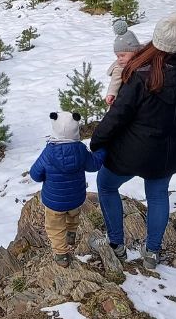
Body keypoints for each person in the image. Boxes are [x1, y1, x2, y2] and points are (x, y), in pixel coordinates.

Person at [89, 12, 176, 269]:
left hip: (133, 152)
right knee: (157, 195)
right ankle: (152, 252)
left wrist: (97, 140)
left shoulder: (142, 75)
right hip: (169, 151)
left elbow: (119, 115)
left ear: (156, 40)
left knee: (107, 185)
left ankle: (116, 245)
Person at [29, 111, 106, 266]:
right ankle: (71, 233)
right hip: (76, 198)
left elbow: (35, 175)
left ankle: (61, 254)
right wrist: (102, 150)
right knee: (73, 214)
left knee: (55, 227)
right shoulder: (81, 150)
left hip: (54, 202)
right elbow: (94, 165)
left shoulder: (49, 152)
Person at [106, 18, 143, 106]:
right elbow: (115, 80)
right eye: (117, 56)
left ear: (135, 51)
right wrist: (111, 93)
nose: (120, 59)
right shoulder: (120, 66)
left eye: (122, 55)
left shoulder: (143, 58)